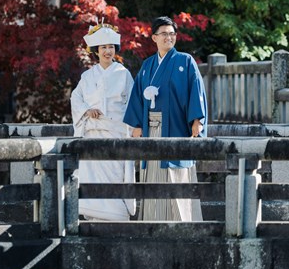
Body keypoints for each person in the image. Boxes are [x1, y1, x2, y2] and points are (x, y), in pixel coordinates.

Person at [123, 16, 206, 222]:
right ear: (154, 38)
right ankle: (152, 225)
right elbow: (136, 95)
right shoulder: (148, 65)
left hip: (176, 127)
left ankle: (184, 225)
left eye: (172, 34)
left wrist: (197, 120)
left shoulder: (185, 61)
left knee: (176, 175)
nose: (169, 37)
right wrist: (136, 124)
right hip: (150, 130)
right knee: (152, 174)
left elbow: (196, 90)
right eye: (164, 34)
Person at [70, 23, 136, 221]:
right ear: (96, 52)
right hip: (93, 134)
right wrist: (87, 110)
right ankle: (93, 217)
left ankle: (117, 216)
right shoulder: (87, 76)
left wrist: (132, 129)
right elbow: (76, 98)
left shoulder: (123, 73)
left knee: (116, 174)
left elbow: (133, 103)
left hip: (116, 132)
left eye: (111, 47)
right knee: (92, 175)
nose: (108, 51)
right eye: (103, 47)